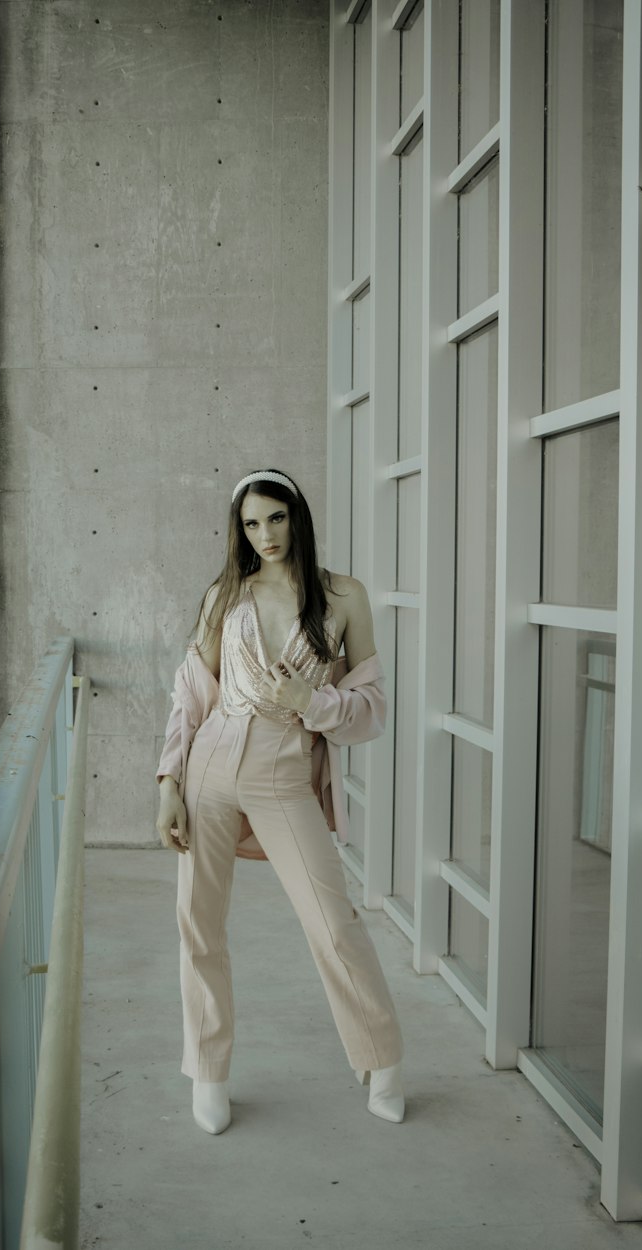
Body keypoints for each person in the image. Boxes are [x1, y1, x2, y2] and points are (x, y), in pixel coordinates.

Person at [155, 468, 404, 1135]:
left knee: (333, 922)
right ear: (239, 530)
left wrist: (311, 702)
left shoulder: (343, 596)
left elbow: (374, 711)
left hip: (283, 770)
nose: (264, 535)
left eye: (276, 519)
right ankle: (208, 1073)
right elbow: (190, 696)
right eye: (250, 523)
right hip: (210, 763)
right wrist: (167, 784)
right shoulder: (225, 594)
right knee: (198, 925)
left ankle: (382, 1059)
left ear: (298, 518)